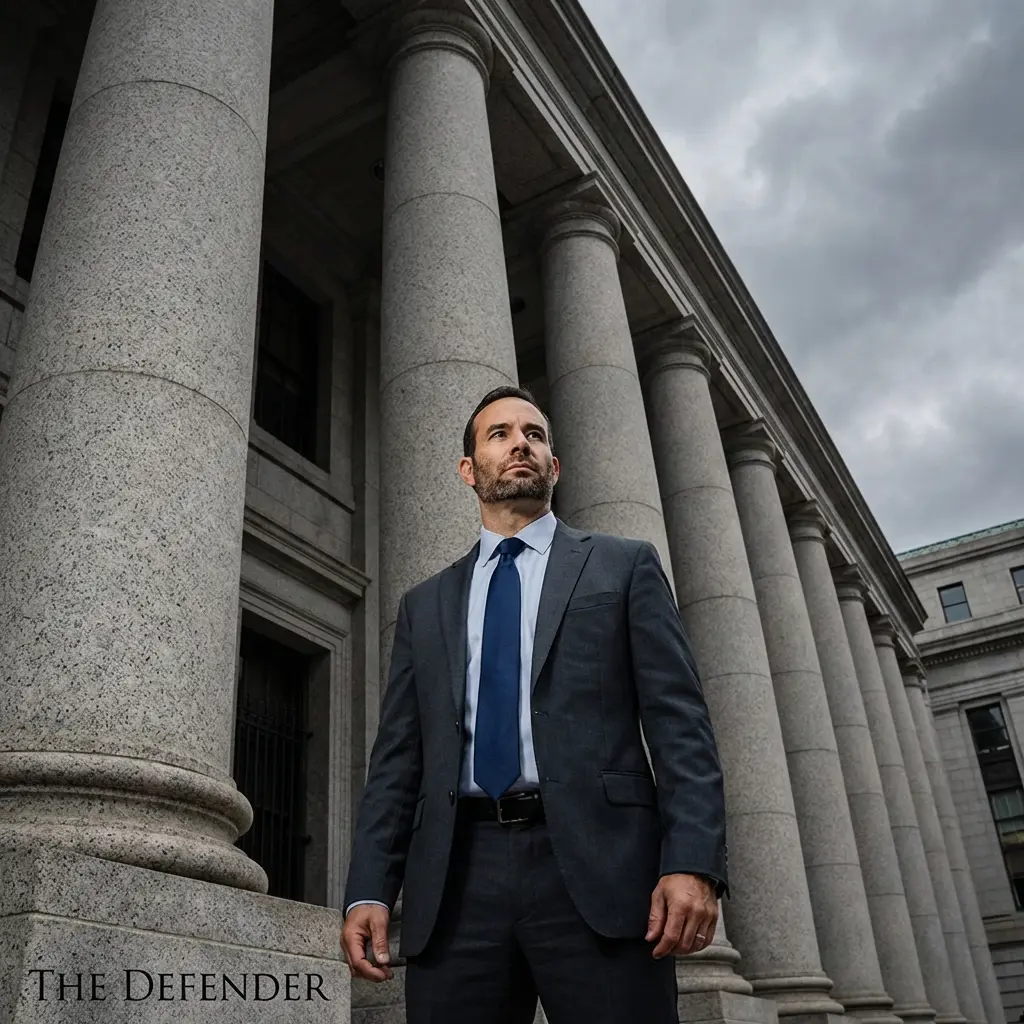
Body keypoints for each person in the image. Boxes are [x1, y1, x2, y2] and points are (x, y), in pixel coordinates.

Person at [341, 385, 728, 1024]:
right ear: (468, 470)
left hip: (601, 869)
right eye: (499, 434)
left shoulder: (624, 566)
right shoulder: (424, 605)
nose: (520, 443)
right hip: (456, 880)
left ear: (555, 465)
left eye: (535, 434)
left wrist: (693, 861)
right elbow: (397, 762)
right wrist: (368, 890)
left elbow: (680, 725)